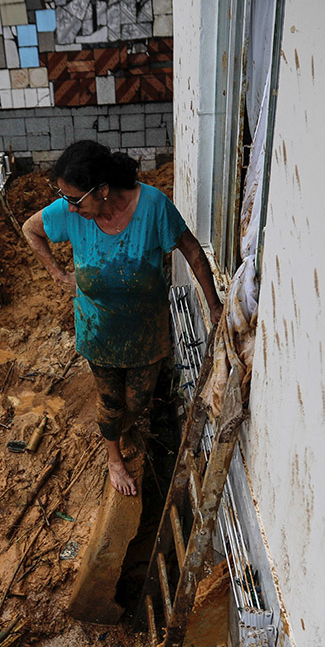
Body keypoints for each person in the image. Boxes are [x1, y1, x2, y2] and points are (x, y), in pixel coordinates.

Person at [22, 140, 222, 496]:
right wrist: (57, 274)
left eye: (74, 199)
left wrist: (215, 305)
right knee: (111, 402)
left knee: (139, 401)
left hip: (147, 329)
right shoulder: (72, 214)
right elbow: (30, 229)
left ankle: (125, 424)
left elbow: (192, 250)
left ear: (102, 190)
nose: (67, 207)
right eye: (62, 197)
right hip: (98, 328)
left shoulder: (153, 207)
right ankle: (113, 456)